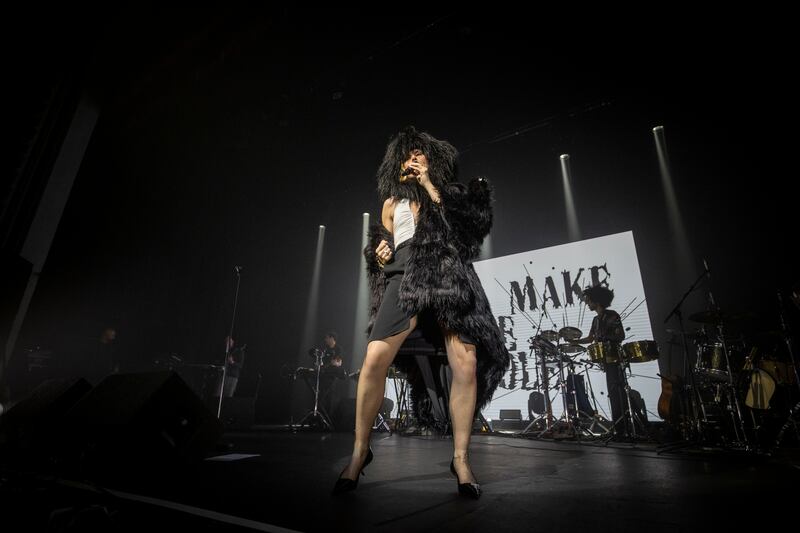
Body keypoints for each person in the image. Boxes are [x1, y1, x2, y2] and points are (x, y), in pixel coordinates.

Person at [332, 126, 510, 498]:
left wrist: (430, 185)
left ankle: (461, 459)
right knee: (374, 359)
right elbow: (382, 249)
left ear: (432, 160)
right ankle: (360, 452)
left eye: (419, 154)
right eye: (407, 155)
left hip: (447, 276)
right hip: (404, 278)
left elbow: (469, 230)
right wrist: (380, 254)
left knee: (465, 362)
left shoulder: (449, 193)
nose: (413, 159)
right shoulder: (390, 204)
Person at [572, 285, 628, 437]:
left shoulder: (612, 315)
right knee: (612, 393)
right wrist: (574, 342)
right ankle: (618, 428)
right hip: (606, 361)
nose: (587, 303)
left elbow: (620, 335)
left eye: (588, 300)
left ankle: (622, 429)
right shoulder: (596, 320)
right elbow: (590, 338)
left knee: (617, 393)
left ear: (596, 301)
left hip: (614, 358)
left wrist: (605, 339)